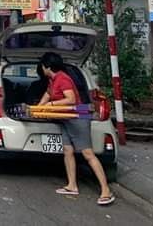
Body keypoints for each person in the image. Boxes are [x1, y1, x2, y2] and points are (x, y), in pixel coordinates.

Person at [38, 52, 115, 206]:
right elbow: (47, 94)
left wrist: (50, 105)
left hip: (78, 119)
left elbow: (71, 99)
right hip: (65, 119)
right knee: (68, 151)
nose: (41, 68)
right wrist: (38, 108)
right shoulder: (52, 80)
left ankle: (106, 190)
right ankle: (72, 185)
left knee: (88, 154)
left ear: (47, 66)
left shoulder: (63, 78)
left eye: (42, 65)